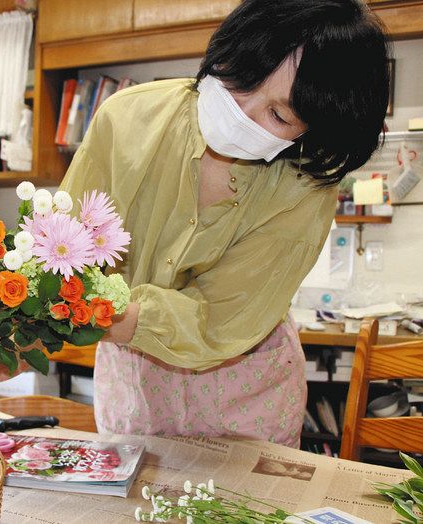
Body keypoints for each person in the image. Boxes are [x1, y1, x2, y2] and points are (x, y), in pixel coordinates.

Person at [56, 0, 390, 447]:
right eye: (238, 80)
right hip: (133, 388)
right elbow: (60, 248)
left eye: (279, 115)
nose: (241, 112)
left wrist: (94, 316)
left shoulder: (306, 186)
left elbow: (221, 318)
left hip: (245, 395)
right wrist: (23, 326)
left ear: (313, 131)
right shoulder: (128, 117)